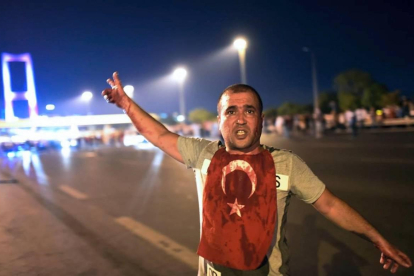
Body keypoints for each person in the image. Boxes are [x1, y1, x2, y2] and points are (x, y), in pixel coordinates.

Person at [102, 72, 412, 276]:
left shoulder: (287, 164)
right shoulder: (204, 154)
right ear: (220, 121)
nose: (239, 119)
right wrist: (127, 104)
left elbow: (329, 204)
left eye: (248, 110)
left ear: (261, 120)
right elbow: (158, 135)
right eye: (231, 111)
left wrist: (377, 238)